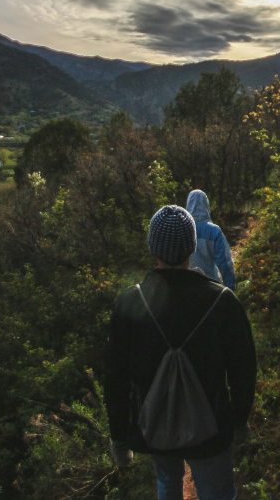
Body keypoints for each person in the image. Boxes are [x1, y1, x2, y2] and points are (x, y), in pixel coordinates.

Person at [105, 204, 256, 500]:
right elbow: (243, 369)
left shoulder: (129, 303)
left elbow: (116, 378)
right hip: (212, 429)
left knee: (167, 480)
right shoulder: (223, 302)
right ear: (191, 246)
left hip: (156, 427)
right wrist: (239, 420)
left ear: (152, 246)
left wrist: (120, 436)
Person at [185, 189, 236, 291]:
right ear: (206, 205)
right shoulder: (214, 231)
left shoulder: (182, 229)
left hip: (186, 287)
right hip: (211, 287)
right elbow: (225, 263)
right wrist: (230, 288)